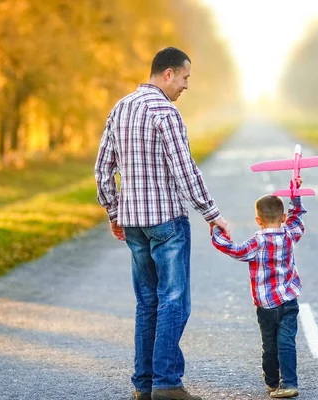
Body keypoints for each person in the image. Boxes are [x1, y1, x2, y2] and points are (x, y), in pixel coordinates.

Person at [94, 47, 229, 400]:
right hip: (167, 222)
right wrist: (212, 214)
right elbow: (185, 170)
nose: (186, 86)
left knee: (148, 303)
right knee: (174, 302)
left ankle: (144, 387)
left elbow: (102, 171)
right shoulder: (165, 113)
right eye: (184, 78)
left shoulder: (120, 108)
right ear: (167, 74)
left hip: (134, 225)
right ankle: (167, 384)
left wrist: (113, 212)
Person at [211, 179, 305, 399]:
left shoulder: (256, 242)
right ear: (282, 218)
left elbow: (233, 250)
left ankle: (273, 384)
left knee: (270, 344)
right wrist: (296, 194)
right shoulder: (289, 234)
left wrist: (218, 233)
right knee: (287, 342)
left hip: (266, 305)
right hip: (289, 301)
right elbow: (297, 219)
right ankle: (289, 383)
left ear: (258, 220)